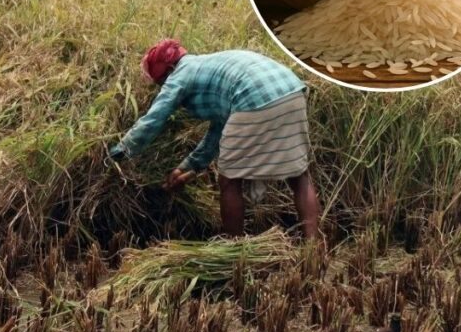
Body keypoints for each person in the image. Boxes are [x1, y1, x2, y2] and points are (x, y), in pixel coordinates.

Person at [109, 39, 322, 239]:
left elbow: (155, 117)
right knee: (299, 175)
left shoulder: (179, 75)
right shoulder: (207, 64)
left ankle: (234, 249)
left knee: (229, 180)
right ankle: (313, 246)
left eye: (160, 83)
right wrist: (187, 168)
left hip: (253, 97)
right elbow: (219, 131)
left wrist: (122, 151)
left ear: (167, 72)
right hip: (292, 91)